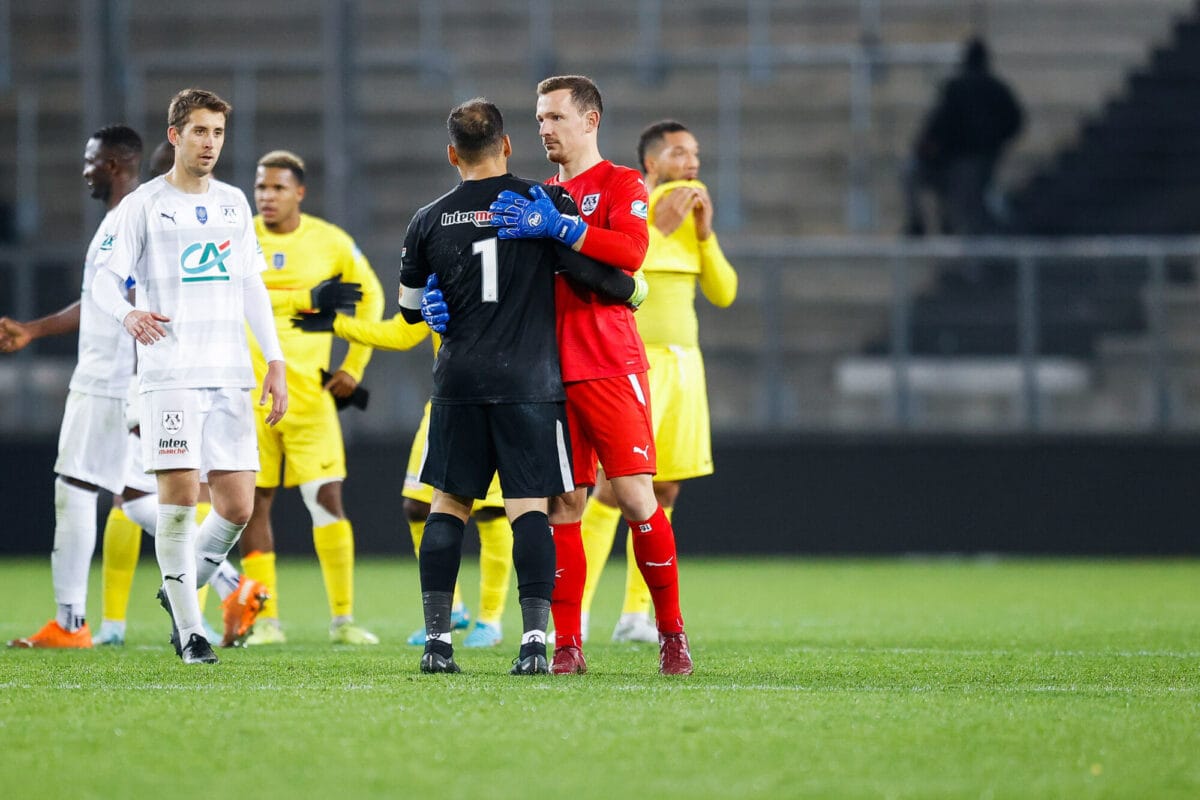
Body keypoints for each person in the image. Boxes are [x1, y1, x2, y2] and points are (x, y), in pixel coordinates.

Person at [480, 75, 693, 675]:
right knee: (564, 502)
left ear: (590, 120)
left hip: (608, 362)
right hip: (546, 373)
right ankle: (568, 644)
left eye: (555, 117)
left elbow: (630, 253)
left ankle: (671, 634)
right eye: (539, 118)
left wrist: (561, 228)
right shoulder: (532, 194)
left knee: (634, 498)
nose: (544, 129)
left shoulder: (621, 183)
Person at [90, 87, 288, 665]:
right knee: (177, 503)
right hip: (171, 373)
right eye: (200, 132)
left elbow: (251, 286)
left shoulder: (232, 205)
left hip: (229, 375)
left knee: (236, 506)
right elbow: (106, 281)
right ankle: (191, 630)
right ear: (175, 135)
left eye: (219, 133)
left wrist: (273, 360)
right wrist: (128, 312)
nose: (210, 143)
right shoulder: (144, 205)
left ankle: (178, 590)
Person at [577, 120, 737, 644]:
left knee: (664, 487)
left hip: (685, 365)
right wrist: (659, 231)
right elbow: (620, 268)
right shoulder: (633, 209)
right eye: (677, 153)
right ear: (650, 162)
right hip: (633, 362)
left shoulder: (693, 211)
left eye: (695, 152)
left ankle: (634, 616)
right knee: (612, 486)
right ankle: (574, 611)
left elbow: (724, 293)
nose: (691, 162)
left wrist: (707, 237)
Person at [1, 125, 157, 649]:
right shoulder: (121, 220)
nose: (85, 169)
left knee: (73, 490)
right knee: (135, 497)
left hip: (108, 381)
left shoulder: (130, 220)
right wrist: (34, 330)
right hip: (110, 378)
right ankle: (233, 584)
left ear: (114, 164)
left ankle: (70, 622)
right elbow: (98, 304)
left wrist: (139, 386)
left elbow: (138, 308)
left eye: (91, 160)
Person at [234, 149, 384, 647]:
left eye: (277, 187)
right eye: (260, 188)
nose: (266, 196)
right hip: (248, 398)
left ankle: (343, 620)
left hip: (310, 398)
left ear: (300, 192)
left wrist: (352, 366)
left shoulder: (330, 241)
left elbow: (374, 297)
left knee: (327, 501)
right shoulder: (239, 236)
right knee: (253, 505)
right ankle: (265, 620)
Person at [902, 36, 1024, 236]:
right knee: (965, 210)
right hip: (967, 163)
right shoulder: (996, 89)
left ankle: (923, 224)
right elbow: (1016, 121)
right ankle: (934, 224)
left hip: (963, 165)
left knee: (965, 213)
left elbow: (938, 125)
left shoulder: (958, 88)